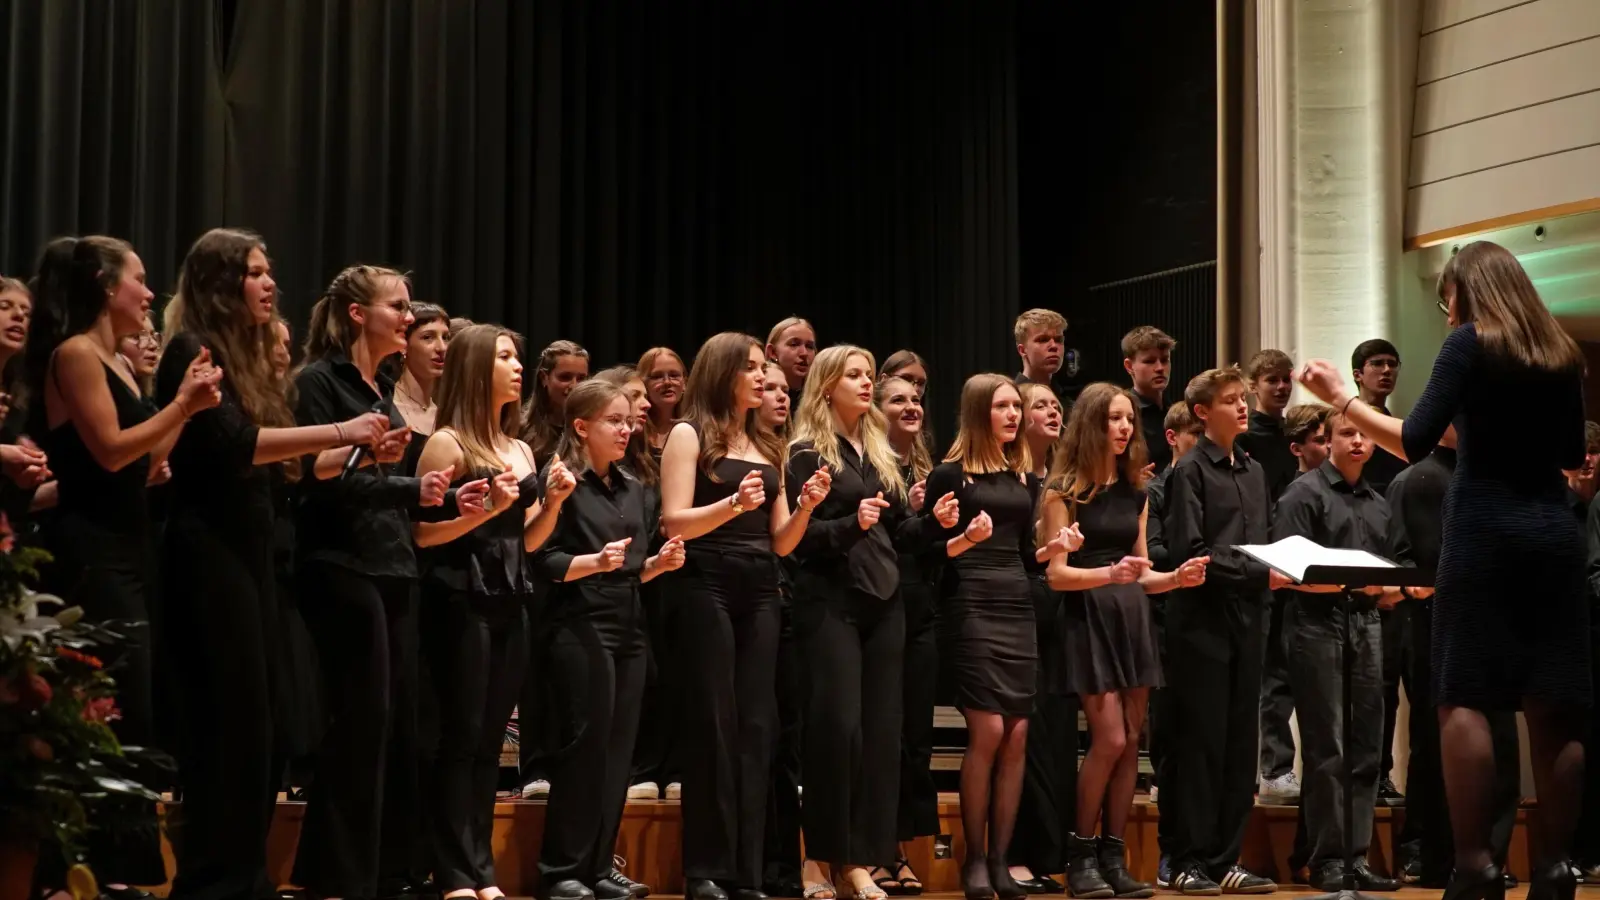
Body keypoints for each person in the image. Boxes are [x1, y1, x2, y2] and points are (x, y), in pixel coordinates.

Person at [1297, 239, 1589, 900]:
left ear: (1464, 292)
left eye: (1446, 299)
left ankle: (1474, 868)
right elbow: (1571, 451)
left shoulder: (1468, 344)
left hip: (1484, 530)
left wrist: (1340, 399)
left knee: (1465, 697)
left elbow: (1413, 440)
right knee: (1554, 708)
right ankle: (1554, 869)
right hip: (1552, 531)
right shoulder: (1561, 353)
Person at [28, 235, 223, 896]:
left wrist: (178, 421)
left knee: (134, 716)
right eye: (140, 280)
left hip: (129, 548)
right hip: (90, 553)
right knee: (109, 718)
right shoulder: (77, 353)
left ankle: (114, 877)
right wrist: (181, 406)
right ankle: (83, 875)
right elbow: (111, 454)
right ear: (108, 287)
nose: (150, 294)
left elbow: (142, 466)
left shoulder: (116, 362)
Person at [290, 265, 465, 900]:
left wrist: (441, 495)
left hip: (392, 564)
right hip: (343, 563)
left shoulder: (378, 387)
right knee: (361, 720)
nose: (410, 318)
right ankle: (343, 874)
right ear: (358, 314)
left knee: (391, 725)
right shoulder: (318, 381)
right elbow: (317, 478)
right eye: (399, 306)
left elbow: (378, 477)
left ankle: (377, 870)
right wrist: (409, 485)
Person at [659, 331, 830, 900]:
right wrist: (732, 504)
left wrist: (804, 507)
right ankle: (705, 869)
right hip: (705, 579)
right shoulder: (690, 435)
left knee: (758, 727)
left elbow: (782, 543)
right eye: (752, 368)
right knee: (714, 723)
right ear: (724, 372)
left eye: (764, 368)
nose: (763, 377)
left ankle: (747, 871)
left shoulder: (769, 443)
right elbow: (674, 523)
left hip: (760, 585)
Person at [413, 324, 568, 900]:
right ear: (477, 367)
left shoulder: (520, 447)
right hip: (461, 598)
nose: (515, 365)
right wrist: (485, 512)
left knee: (488, 745)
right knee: (460, 737)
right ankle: (453, 870)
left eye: (516, 356)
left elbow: (527, 539)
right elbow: (423, 537)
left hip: (512, 598)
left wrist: (551, 503)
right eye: (504, 356)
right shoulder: (447, 443)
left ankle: (480, 868)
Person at [1043, 384, 1204, 900]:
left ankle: (1114, 855)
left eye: (1129, 419)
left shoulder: (1136, 490)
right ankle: (1080, 854)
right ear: (1091, 423)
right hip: (1089, 612)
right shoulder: (1063, 490)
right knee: (1109, 738)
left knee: (1132, 742)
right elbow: (1057, 575)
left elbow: (1140, 573)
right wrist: (1108, 575)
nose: (1125, 428)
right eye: (1114, 418)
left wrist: (1175, 578)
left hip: (1130, 615)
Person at [922, 374, 1078, 900]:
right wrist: (965, 538)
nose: (1014, 415)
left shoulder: (1022, 478)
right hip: (968, 602)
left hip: (1015, 604)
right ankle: (972, 859)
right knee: (987, 731)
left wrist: (1055, 545)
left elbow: (1021, 557)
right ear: (977, 412)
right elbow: (930, 552)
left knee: (1016, 736)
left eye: (1017, 406)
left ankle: (998, 859)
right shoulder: (950, 475)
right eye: (1003, 407)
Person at [785, 346, 930, 900]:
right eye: (854, 375)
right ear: (826, 387)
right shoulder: (805, 454)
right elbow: (800, 544)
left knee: (878, 736)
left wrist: (936, 523)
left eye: (870, 374)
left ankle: (859, 861)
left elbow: (901, 533)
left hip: (883, 603)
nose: (867, 383)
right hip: (830, 602)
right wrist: (851, 522)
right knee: (835, 732)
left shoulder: (877, 452)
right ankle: (817, 860)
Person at [532, 378, 685, 900]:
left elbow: (630, 569)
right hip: (579, 626)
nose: (626, 429)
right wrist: (593, 563)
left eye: (628, 421)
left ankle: (599, 866)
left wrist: (657, 566)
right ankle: (561, 870)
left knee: (619, 754)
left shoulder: (634, 488)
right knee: (586, 750)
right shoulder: (561, 482)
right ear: (581, 427)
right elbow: (540, 559)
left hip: (629, 628)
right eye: (613, 421)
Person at [1159, 367, 1286, 896]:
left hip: (1250, 617)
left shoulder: (1253, 471)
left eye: (1242, 399)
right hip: (1202, 622)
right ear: (1202, 413)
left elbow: (1262, 539)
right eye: (1230, 400)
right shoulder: (1188, 472)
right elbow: (1193, 552)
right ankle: (1186, 857)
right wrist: (1262, 572)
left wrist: (1280, 565)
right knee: (1200, 743)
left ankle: (1223, 857)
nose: (1241, 407)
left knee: (1239, 743)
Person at [1271, 410, 1401, 893]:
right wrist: (1356, 584)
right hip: (1316, 627)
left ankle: (1354, 854)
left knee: (1367, 745)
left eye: (1365, 434)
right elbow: (1287, 572)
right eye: (1348, 432)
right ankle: (1329, 859)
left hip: (1366, 625)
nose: (1359, 441)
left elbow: (1385, 570)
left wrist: (1394, 588)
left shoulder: (1377, 501)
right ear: (1328, 441)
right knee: (1329, 746)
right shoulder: (1303, 494)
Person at [1387, 436, 1522, 889]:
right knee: (1442, 745)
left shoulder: (1488, 477)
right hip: (1441, 627)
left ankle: (1486, 859)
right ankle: (1447, 859)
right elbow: (1420, 564)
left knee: (1497, 744)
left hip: (1488, 623)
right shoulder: (1424, 478)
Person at [1010, 382, 1080, 892]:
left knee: (1055, 731)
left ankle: (1047, 851)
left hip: (1060, 608)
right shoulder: (1002, 474)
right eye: (1041, 405)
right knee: (1022, 733)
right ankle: (1015, 851)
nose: (1053, 411)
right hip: (1013, 605)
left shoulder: (1065, 479)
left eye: (1057, 406)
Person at [874, 374, 941, 897]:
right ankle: (879, 851)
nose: (911, 405)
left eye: (916, 399)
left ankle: (902, 847)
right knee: (885, 735)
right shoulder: (872, 464)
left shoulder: (927, 466)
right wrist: (915, 513)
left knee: (915, 737)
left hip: (923, 609)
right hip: (882, 605)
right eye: (898, 399)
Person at [1145, 402, 1203, 889]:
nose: (1201, 443)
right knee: (1173, 747)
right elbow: (1152, 551)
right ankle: (1172, 854)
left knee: (1211, 744)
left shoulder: (1223, 480)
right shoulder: (1157, 488)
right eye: (1193, 435)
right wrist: (1199, 552)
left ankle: (1208, 854)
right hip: (1166, 624)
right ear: (1172, 438)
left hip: (1212, 622)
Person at [392, 302, 450, 475]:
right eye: (428, 337)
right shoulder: (386, 406)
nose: (442, 348)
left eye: (446, 337)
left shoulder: (446, 414)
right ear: (403, 345)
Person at [522, 339, 591, 467]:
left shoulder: (594, 427)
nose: (575, 386)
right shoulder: (520, 429)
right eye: (565, 377)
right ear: (544, 378)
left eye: (581, 378)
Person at [1120, 328, 1174, 473]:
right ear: (1129, 366)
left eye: (1164, 360)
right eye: (1149, 361)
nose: (1160, 368)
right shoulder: (1122, 416)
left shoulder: (1177, 411)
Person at [766, 317, 816, 410]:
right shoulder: (758, 395)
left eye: (809, 346)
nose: (804, 353)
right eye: (794, 344)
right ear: (772, 352)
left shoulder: (819, 400)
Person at [1014, 309, 1068, 388]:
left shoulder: (1065, 399)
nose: (1054, 346)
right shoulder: (1010, 398)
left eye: (1058, 340)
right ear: (1022, 350)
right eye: (1043, 340)